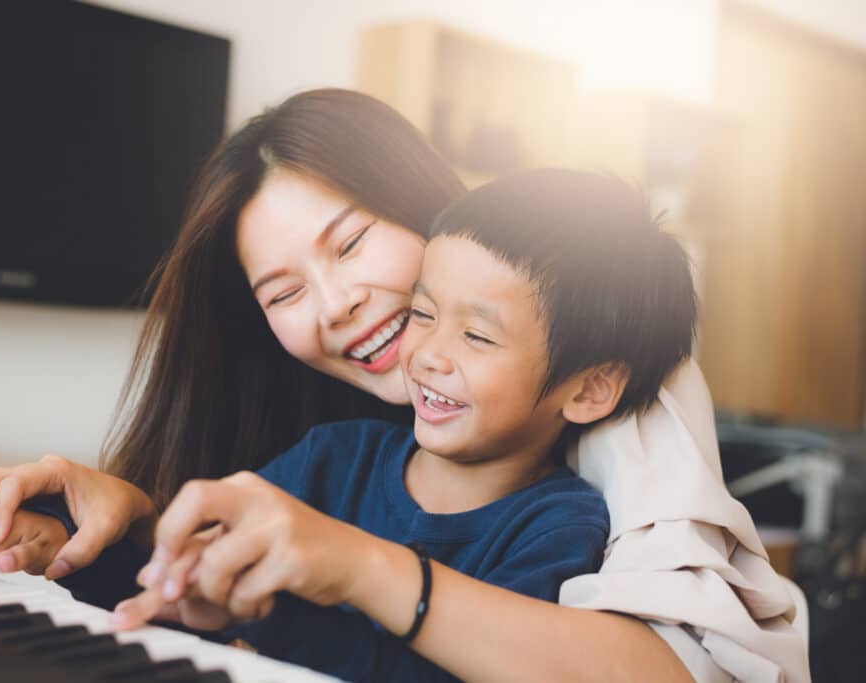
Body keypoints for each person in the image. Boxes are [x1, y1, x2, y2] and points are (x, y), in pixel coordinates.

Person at [0, 90, 807, 682]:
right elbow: (206, 587)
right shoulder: (333, 451)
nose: (339, 306)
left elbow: (683, 666)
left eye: (348, 244)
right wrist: (113, 526)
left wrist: (358, 569)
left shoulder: (597, 438)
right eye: (284, 292)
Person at [101, 169, 696, 682]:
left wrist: (280, 616)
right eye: (422, 313)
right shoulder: (333, 456)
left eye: (478, 335)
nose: (428, 354)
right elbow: (213, 560)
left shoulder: (560, 526)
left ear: (590, 388)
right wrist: (190, 579)